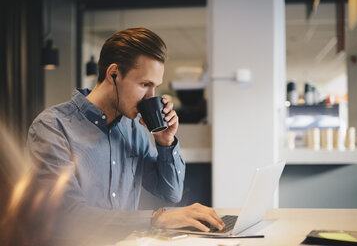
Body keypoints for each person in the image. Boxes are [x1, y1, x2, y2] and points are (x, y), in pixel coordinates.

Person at [27, 27, 224, 245]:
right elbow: (65, 216)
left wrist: (165, 142)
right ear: (113, 74)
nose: (151, 97)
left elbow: (171, 193)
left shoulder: (134, 129)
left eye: (155, 87)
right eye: (144, 85)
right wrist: (157, 219)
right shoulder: (53, 127)